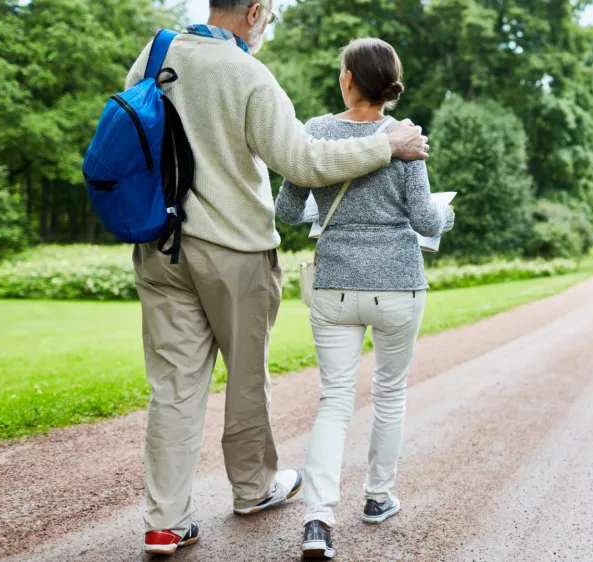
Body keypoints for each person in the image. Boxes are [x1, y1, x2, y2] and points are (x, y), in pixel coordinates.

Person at [128, 1, 430, 556]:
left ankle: (165, 522)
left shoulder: (155, 53)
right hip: (234, 248)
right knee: (245, 378)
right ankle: (253, 488)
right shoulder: (248, 73)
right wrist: (386, 144)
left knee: (173, 386)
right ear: (255, 11)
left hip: (160, 244)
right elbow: (303, 163)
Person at [275, 38, 455, 560]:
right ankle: (377, 498)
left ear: (348, 79)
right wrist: (447, 215)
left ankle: (317, 520)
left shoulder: (314, 131)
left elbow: (288, 211)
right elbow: (425, 218)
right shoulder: (405, 135)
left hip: (335, 284)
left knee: (334, 401)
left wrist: (332, 213)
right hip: (399, 285)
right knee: (390, 394)